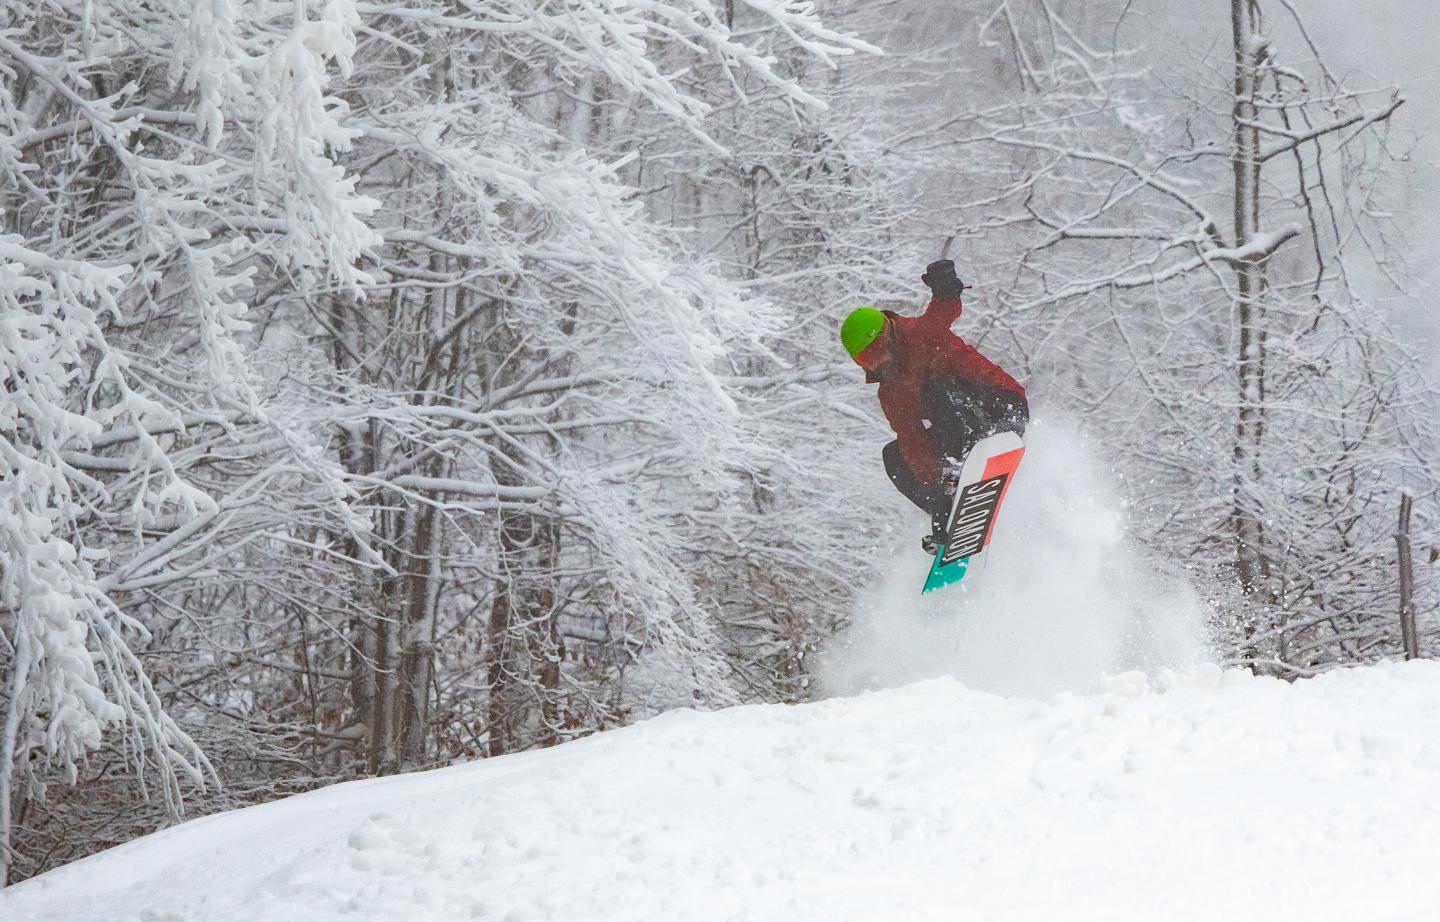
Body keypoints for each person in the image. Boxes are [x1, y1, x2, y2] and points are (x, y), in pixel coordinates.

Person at [840, 259, 1028, 552]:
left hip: (999, 406)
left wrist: (947, 291)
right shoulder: (890, 393)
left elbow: (941, 313)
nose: (877, 363)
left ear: (888, 333)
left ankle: (967, 462)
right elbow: (914, 443)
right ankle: (951, 506)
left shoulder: (919, 334)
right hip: (960, 430)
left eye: (876, 351)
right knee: (896, 455)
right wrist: (936, 490)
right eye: (866, 360)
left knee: (937, 389)